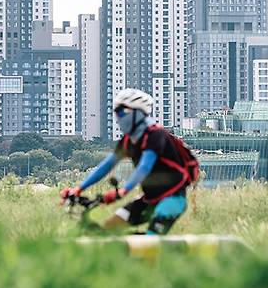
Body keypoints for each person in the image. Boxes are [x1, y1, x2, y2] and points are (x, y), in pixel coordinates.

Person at [61, 88, 191, 235]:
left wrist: (123, 191)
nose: (117, 118)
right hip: (149, 200)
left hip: (172, 200)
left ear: (136, 113)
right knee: (108, 230)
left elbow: (145, 166)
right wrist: (79, 188)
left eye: (121, 112)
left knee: (150, 243)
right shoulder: (128, 141)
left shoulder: (156, 135)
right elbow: (107, 165)